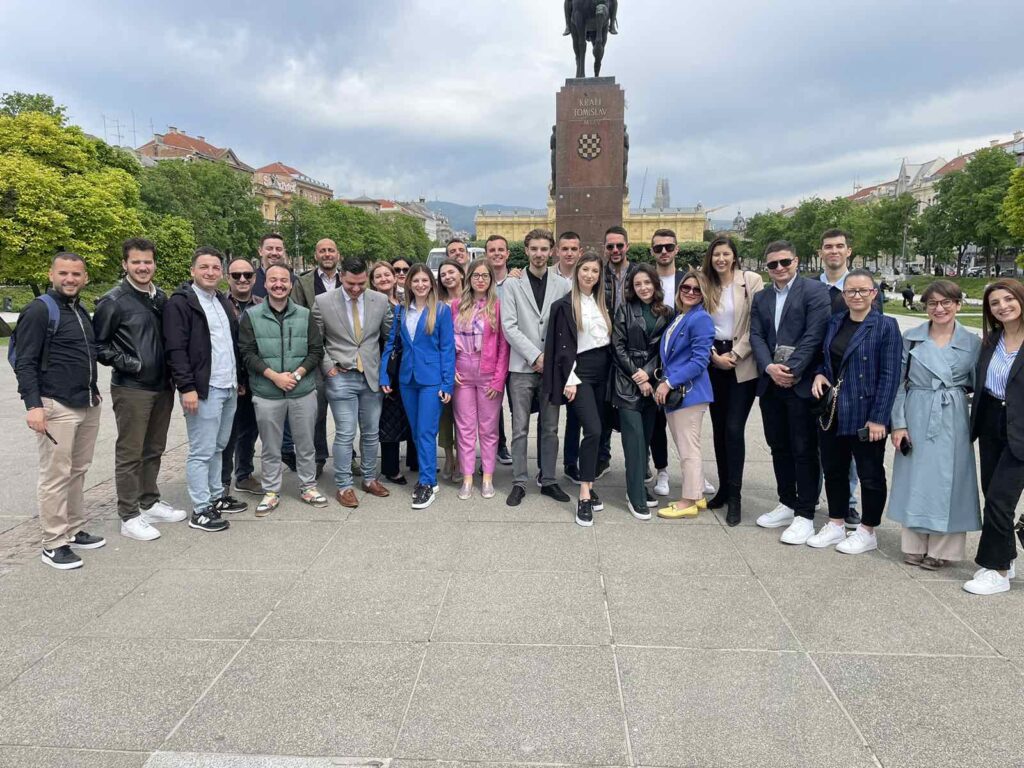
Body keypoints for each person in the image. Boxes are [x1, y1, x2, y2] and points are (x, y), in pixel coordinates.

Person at [15, 252, 105, 569]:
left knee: (78, 470)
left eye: (76, 274)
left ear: (85, 278)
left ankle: (74, 527)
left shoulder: (80, 309)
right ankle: (53, 542)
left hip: (86, 401)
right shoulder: (40, 310)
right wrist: (34, 405)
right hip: (56, 404)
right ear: (51, 274)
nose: (70, 279)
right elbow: (24, 361)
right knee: (55, 475)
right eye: (64, 273)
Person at [93, 238, 185, 542]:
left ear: (154, 264)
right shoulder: (114, 300)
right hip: (133, 386)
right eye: (136, 262)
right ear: (125, 264)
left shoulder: (160, 298)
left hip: (162, 385)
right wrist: (132, 364)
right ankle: (129, 514)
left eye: (147, 262)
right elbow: (99, 346)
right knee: (130, 452)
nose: (142, 267)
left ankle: (149, 500)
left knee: (154, 448)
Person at [889, 281, 981, 569]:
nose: (939, 308)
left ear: (957, 305)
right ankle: (914, 543)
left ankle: (943, 549)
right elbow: (898, 385)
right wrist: (899, 424)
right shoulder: (911, 338)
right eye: (932, 303)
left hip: (952, 415)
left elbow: (979, 387)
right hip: (916, 409)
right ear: (925, 306)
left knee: (951, 479)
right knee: (915, 477)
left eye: (946, 302)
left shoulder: (973, 342)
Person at [808, 270, 902, 554]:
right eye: (851, 291)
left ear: (874, 294)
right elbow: (825, 358)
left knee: (870, 473)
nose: (857, 296)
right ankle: (836, 523)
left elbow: (890, 375)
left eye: (863, 291)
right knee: (834, 469)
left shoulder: (886, 326)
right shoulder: (835, 322)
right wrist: (819, 374)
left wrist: (879, 418)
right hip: (834, 409)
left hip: (866, 411)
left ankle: (867, 529)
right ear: (844, 295)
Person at [750, 241, 831, 543]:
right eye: (773, 264)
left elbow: (815, 334)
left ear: (796, 261)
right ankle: (786, 501)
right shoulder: (762, 297)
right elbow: (756, 334)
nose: (780, 268)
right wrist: (770, 367)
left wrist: (792, 370)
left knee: (804, 449)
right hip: (771, 383)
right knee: (778, 445)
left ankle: (806, 513)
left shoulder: (814, 292)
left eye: (785, 262)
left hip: (800, 383)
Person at [163, 246, 248, 532]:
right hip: (203, 389)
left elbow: (228, 344)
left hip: (228, 385)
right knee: (201, 450)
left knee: (219, 446)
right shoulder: (181, 302)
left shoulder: (220, 301)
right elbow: (176, 348)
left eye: (215, 268)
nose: (210, 272)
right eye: (204, 267)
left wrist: (238, 381)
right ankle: (200, 509)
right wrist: (186, 387)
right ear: (192, 271)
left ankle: (216, 496)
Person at [239, 264, 328, 515]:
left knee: (305, 443)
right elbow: (247, 353)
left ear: (291, 285)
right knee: (270, 445)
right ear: (265, 284)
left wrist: (297, 374)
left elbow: (316, 350)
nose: (279, 284)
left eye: (284, 281)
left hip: (302, 390)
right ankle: (271, 491)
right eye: (273, 280)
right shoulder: (252, 315)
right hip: (267, 392)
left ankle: (308, 485)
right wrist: (274, 377)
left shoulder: (304, 314)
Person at [314, 256, 393, 508]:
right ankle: (344, 485)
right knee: (346, 433)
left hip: (370, 375)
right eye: (350, 284)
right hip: (341, 376)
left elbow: (390, 337)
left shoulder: (379, 300)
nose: (356, 289)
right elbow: (317, 341)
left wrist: (385, 370)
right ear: (341, 276)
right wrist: (328, 369)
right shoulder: (323, 302)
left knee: (371, 433)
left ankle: (369, 478)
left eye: (361, 283)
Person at [502, 228, 572, 507]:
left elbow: (566, 329)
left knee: (551, 427)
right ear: (526, 250)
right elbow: (509, 326)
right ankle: (519, 480)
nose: (539, 254)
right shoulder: (512, 285)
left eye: (544, 249)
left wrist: (550, 359)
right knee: (519, 427)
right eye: (534, 249)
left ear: (551, 251)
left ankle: (549, 479)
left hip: (552, 369)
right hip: (521, 367)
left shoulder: (563, 285)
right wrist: (535, 356)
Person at [818, 228, 883, 528]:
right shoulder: (810, 287)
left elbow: (877, 340)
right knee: (826, 452)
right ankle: (821, 502)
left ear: (849, 251)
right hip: (821, 381)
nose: (834, 251)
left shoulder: (864, 288)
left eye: (839, 246)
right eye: (828, 246)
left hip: (857, 387)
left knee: (855, 459)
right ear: (820, 252)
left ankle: (850, 505)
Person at [964, 280, 1024, 595]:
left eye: (1009, 299)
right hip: (990, 422)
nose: (1003, 306)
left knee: (1001, 500)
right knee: (992, 494)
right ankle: (1007, 556)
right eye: (995, 303)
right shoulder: (992, 340)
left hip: (1020, 429)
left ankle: (996, 570)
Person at [544, 254, 613, 526]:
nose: (589, 275)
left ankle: (588, 480)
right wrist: (569, 378)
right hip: (580, 372)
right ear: (577, 272)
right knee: (593, 429)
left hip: (604, 372)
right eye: (585, 269)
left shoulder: (602, 303)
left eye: (594, 271)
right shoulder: (563, 305)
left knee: (600, 430)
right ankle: (585, 494)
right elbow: (559, 346)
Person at [381, 264, 456, 509]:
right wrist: (384, 375)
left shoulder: (442, 311)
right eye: (416, 281)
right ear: (408, 284)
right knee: (416, 431)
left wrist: (447, 382)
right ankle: (428, 477)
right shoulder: (402, 311)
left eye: (425, 280)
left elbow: (447, 348)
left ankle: (427, 482)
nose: (420, 285)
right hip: (407, 379)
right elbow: (392, 344)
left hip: (432, 380)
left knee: (425, 431)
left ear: (431, 284)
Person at [700, 236, 764, 525]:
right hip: (713, 360)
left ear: (734, 256)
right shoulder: (706, 283)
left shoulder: (750, 281)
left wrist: (735, 355)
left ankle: (736, 496)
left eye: (725, 254)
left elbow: (756, 325)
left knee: (734, 428)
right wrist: (713, 355)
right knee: (718, 428)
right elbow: (699, 322)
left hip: (742, 362)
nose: (720, 259)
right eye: (716, 255)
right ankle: (724, 488)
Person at [611, 263, 674, 520]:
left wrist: (648, 374)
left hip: (654, 381)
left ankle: (638, 486)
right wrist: (638, 376)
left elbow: (667, 348)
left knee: (645, 440)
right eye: (638, 284)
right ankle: (635, 495)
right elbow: (617, 346)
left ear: (655, 284)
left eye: (647, 283)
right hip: (627, 384)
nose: (643, 288)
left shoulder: (667, 313)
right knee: (634, 441)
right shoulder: (624, 310)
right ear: (632, 288)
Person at [653, 270, 715, 519]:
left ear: (704, 294)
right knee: (687, 445)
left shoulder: (700, 319)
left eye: (696, 289)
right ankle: (697, 494)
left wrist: (668, 382)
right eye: (685, 288)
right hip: (682, 393)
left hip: (688, 392)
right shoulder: (682, 316)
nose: (690, 292)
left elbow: (700, 361)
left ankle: (688, 500)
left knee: (689, 449)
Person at [452, 259, 510, 499]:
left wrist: (498, 379)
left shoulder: (497, 306)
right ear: (469, 278)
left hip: (487, 371)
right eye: (476, 275)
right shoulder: (456, 305)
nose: (480, 279)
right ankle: (467, 477)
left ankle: (487, 476)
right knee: (465, 428)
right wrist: (449, 369)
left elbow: (504, 346)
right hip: (462, 370)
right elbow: (446, 342)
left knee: (488, 428)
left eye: (485, 276)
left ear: (491, 280)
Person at [289, 237, 343, 476]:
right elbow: (298, 316)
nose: (327, 254)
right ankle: (319, 457)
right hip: (315, 355)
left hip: (344, 356)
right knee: (317, 412)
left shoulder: (348, 280)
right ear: (316, 255)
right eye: (323, 251)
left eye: (331, 250)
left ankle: (347, 456)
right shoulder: (303, 282)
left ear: (338, 254)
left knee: (345, 414)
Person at [371, 261, 418, 484]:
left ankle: (415, 460)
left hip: (407, 366)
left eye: (387, 274)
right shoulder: (370, 304)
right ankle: (390, 467)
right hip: (386, 366)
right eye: (378, 276)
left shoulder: (403, 300)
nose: (385, 278)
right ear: (372, 281)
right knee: (388, 419)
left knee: (410, 415)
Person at [650, 228, 687, 496]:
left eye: (668, 246)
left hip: (682, 361)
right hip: (653, 362)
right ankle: (662, 470)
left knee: (687, 422)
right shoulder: (645, 279)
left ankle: (691, 472)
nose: (664, 251)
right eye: (658, 247)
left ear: (676, 249)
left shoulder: (689, 279)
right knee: (656, 423)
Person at [221, 259, 263, 495]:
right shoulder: (219, 304)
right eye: (236, 275)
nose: (242, 279)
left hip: (256, 377)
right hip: (228, 377)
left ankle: (243, 474)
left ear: (255, 278)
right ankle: (222, 481)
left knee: (249, 430)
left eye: (247, 275)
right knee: (226, 433)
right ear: (228, 277)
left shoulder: (262, 305)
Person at [486, 234, 520, 466]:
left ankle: (514, 449)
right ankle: (497, 446)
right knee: (491, 407)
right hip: (491, 355)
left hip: (515, 353)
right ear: (486, 254)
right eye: (492, 250)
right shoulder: (480, 283)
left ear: (507, 254)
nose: (497, 253)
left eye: (501, 250)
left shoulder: (518, 281)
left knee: (516, 406)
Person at [554, 231, 585, 484]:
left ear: (580, 251)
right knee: (550, 413)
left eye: (573, 249)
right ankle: (546, 466)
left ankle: (571, 461)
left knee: (577, 414)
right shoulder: (547, 276)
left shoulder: (588, 276)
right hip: (555, 355)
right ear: (557, 251)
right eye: (565, 249)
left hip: (582, 355)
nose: (569, 253)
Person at [437, 258, 465, 481]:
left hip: (468, 365)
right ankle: (448, 456)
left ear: (462, 274)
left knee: (464, 417)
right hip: (443, 365)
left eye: (451, 272)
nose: (447, 277)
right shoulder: (437, 303)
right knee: (444, 416)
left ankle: (464, 458)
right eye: (443, 274)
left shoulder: (473, 299)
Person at [252, 232, 290, 299]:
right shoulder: (250, 280)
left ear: (284, 252)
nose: (274, 253)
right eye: (269, 249)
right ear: (260, 251)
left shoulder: (295, 281)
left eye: (278, 249)